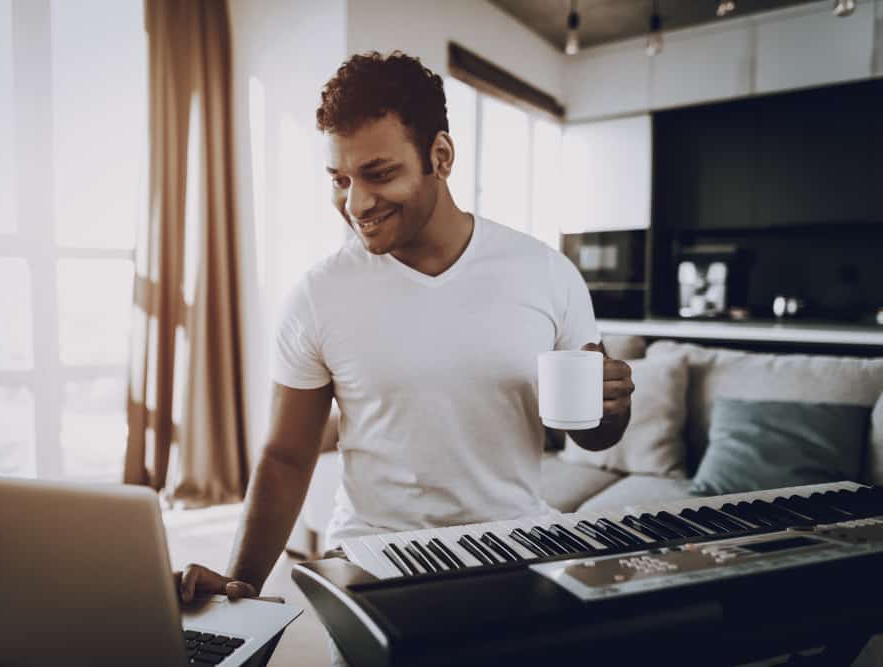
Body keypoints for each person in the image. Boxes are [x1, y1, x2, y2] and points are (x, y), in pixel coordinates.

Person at [174, 51, 634, 664]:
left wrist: (613, 408)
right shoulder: (318, 294)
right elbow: (286, 456)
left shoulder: (546, 273)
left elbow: (594, 434)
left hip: (515, 546)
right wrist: (241, 587)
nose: (356, 204)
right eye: (340, 179)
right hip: (371, 557)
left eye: (378, 173)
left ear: (440, 156)